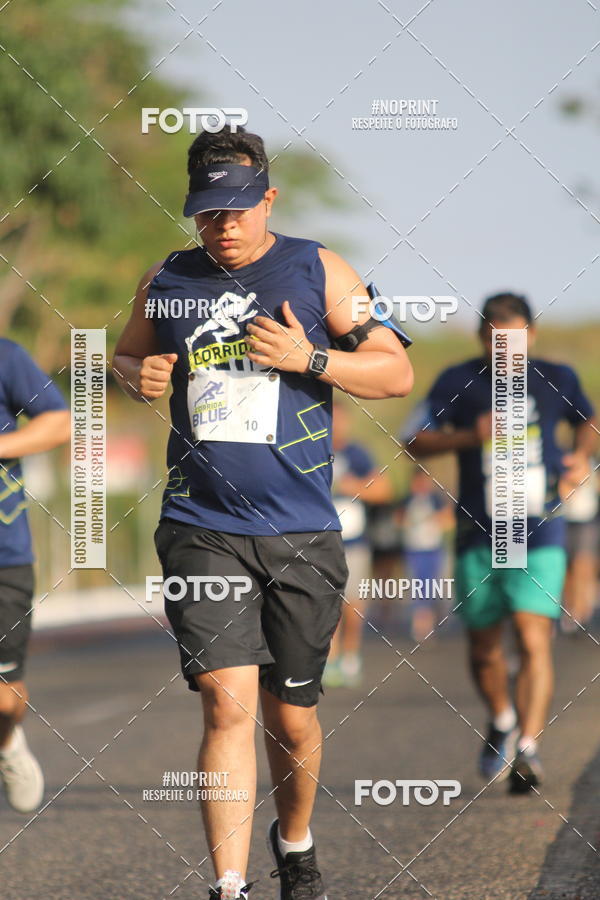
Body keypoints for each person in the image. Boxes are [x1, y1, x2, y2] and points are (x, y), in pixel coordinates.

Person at [113, 125, 413, 899]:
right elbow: (119, 358)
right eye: (210, 213)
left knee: (294, 721)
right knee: (225, 703)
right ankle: (229, 886)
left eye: (241, 209)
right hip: (200, 526)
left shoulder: (318, 268)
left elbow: (394, 371)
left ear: (268, 199)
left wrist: (309, 358)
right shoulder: (167, 280)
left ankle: (297, 840)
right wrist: (131, 372)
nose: (226, 225)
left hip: (302, 533)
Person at [408, 293, 596, 793]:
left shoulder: (556, 377)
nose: (506, 350)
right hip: (478, 530)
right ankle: (502, 718)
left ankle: (529, 748)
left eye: (514, 339)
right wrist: (469, 436)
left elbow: (589, 422)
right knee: (484, 646)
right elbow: (415, 440)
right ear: (482, 339)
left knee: (534, 636)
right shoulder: (457, 381)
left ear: (531, 336)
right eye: (496, 340)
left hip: (539, 528)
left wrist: (579, 461)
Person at [0, 339, 70, 812]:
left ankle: (7, 742)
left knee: (4, 695)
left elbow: (59, 422)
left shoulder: (5, 356)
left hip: (4, 557)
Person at [323, 401, 392, 688]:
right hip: (321, 540)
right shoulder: (312, 450)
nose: (336, 426)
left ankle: (351, 658)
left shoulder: (357, 453)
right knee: (327, 605)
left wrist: (352, 487)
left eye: (341, 420)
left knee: (353, 605)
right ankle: (329, 661)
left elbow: (383, 489)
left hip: (354, 541)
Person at [397, 468, 452, 642]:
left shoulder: (435, 499)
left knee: (431, 585)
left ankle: (431, 618)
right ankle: (421, 626)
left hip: (433, 549)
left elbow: (449, 520)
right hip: (414, 550)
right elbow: (398, 520)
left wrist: (434, 520)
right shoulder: (407, 500)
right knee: (418, 587)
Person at [561, 463, 599, 632]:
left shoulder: (592, 457)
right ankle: (571, 611)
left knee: (582, 563)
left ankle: (582, 611)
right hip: (563, 516)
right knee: (567, 566)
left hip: (587, 517)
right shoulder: (560, 455)